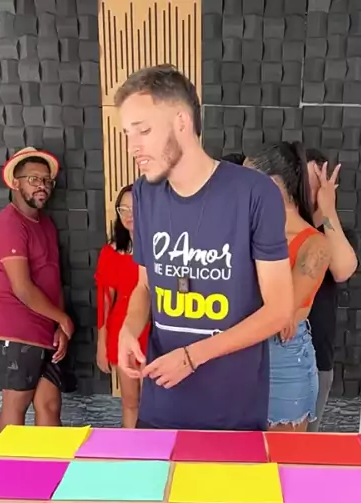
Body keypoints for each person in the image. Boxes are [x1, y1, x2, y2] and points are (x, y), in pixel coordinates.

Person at [115, 64, 296, 431]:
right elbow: (145, 285)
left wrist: (192, 357)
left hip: (232, 413)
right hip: (162, 405)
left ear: (181, 122)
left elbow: (279, 310)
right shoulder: (145, 194)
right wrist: (128, 329)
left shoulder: (254, 193)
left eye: (144, 131)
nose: (133, 147)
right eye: (128, 134)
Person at [0, 147, 74, 431]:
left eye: (46, 180)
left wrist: (59, 326)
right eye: (33, 179)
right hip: (16, 328)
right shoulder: (8, 225)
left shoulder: (45, 225)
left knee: (49, 404)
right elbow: (22, 288)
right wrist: (63, 319)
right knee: (17, 404)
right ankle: (8, 461)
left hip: (46, 329)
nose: (42, 185)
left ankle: (50, 460)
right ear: (15, 182)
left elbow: (53, 278)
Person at [245, 143, 331, 431]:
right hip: (237, 354)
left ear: (272, 184)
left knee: (281, 456)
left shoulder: (314, 244)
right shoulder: (246, 232)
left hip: (282, 360)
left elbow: (278, 313)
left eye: (246, 181)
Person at [306, 148, 358, 431]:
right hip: (273, 359)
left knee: (303, 447)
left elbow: (341, 270)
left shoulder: (338, 235)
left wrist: (328, 211)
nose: (312, 189)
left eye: (319, 182)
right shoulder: (277, 230)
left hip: (317, 357)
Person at [95, 184, 149, 428]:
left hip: (155, 331)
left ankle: (156, 450)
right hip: (121, 331)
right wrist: (102, 343)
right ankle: (131, 449)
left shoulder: (162, 248)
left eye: (134, 209)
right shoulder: (112, 251)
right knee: (130, 401)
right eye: (123, 209)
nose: (128, 215)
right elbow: (105, 300)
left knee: (154, 403)